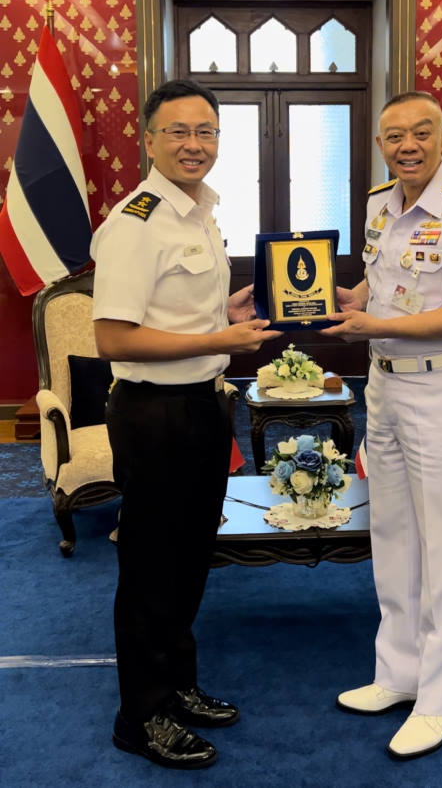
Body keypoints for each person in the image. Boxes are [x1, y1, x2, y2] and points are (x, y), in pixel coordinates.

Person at [91, 79, 282, 770]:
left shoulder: (199, 213)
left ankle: (176, 686)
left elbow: (175, 316)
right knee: (149, 569)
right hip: (153, 415)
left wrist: (222, 322)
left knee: (190, 559)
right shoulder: (135, 222)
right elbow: (114, 337)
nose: (194, 144)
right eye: (177, 131)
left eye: (205, 131)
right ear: (148, 140)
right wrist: (216, 343)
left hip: (203, 404)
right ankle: (139, 717)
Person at [321, 91, 442, 760]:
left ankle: (440, 695)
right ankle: (397, 673)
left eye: (421, 133)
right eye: (394, 135)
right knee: (392, 533)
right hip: (386, 389)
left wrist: (379, 325)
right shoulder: (379, 204)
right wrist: (353, 302)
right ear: (380, 143)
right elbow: (381, 278)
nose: (407, 145)